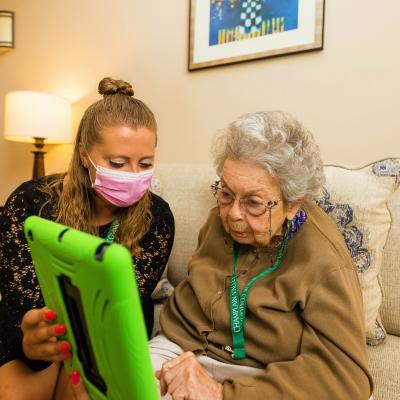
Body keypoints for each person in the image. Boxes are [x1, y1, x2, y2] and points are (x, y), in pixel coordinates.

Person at [150, 111, 373, 399]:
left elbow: (347, 377)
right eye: (226, 193)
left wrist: (221, 393)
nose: (232, 214)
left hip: (261, 374)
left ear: (293, 203)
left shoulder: (324, 261)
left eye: (253, 203)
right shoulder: (218, 220)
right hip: (181, 345)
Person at [0, 77, 175, 399]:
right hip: (35, 335)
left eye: (146, 163)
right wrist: (29, 340)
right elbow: (16, 304)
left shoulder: (157, 217)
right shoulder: (32, 202)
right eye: (118, 163)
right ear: (84, 155)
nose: (133, 174)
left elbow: (118, 311)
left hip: (103, 344)